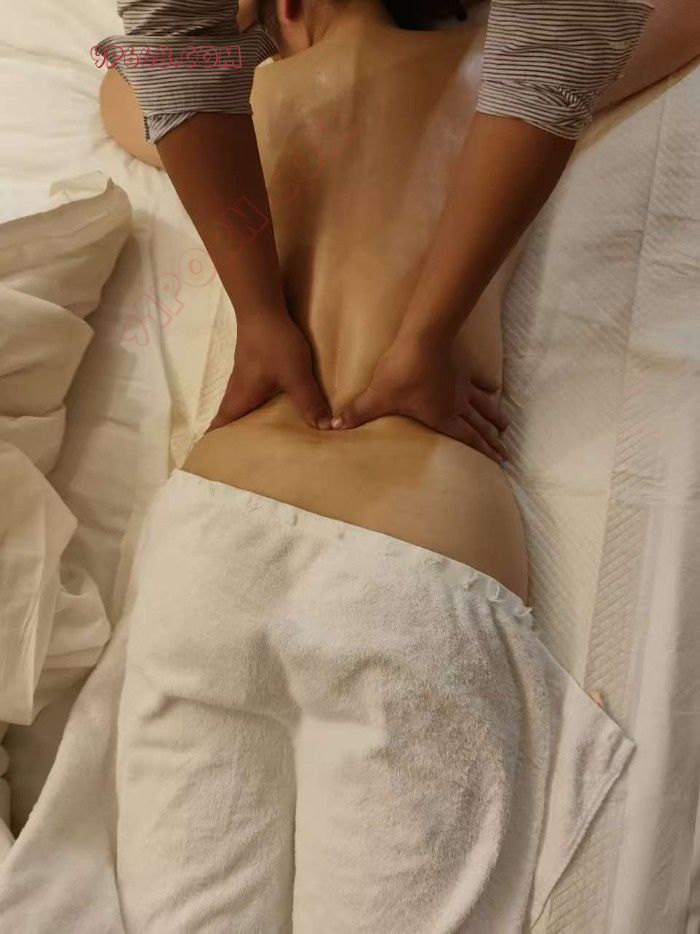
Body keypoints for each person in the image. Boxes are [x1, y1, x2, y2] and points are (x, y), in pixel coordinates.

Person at [93, 3, 698, 930]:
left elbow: (123, 81)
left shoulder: (251, 97)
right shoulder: (504, 80)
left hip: (218, 523)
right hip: (410, 528)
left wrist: (259, 35)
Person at [94, 0, 653, 450]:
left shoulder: (248, 114)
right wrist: (424, 342)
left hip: (232, 474)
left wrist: (250, 18)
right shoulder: (491, 83)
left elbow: (135, 78)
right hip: (426, 490)